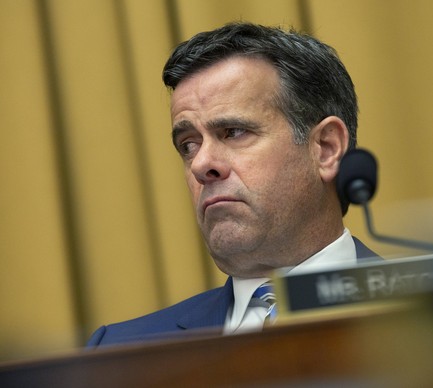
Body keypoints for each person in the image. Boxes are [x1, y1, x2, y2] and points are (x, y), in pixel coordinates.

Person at [87, 22, 377, 346]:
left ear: (325, 148)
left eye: (233, 132)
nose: (200, 165)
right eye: (188, 145)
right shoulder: (119, 351)